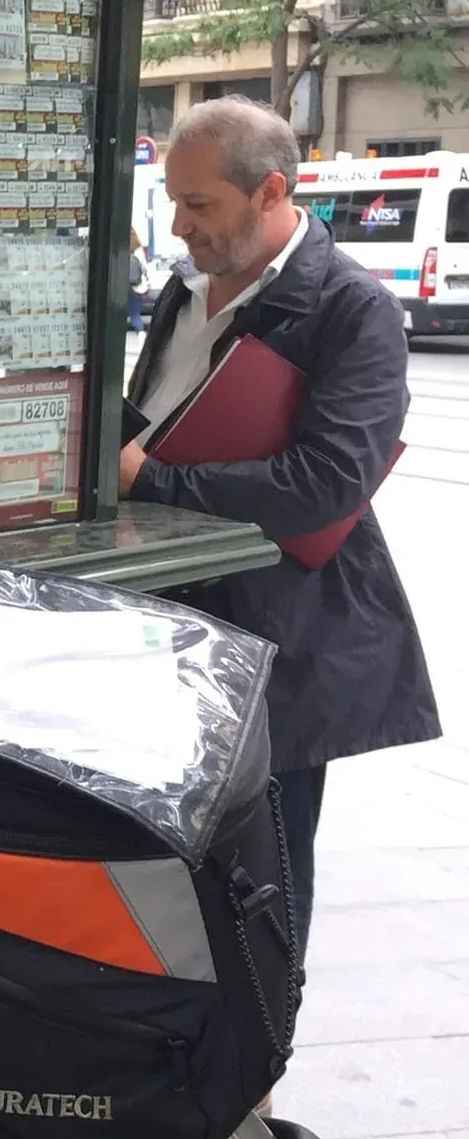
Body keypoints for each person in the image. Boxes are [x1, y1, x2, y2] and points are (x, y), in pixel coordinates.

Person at [120, 98, 438, 948]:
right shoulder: (183, 294)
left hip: (277, 641)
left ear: (269, 193)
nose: (180, 225)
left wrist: (156, 480)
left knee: (262, 878)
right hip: (166, 624)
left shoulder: (352, 309)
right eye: (175, 201)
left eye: (200, 205)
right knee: (164, 875)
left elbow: (331, 481)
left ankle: (256, 1068)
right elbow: (149, 422)